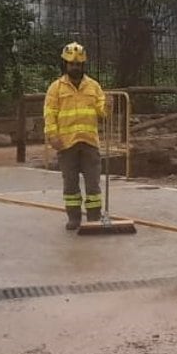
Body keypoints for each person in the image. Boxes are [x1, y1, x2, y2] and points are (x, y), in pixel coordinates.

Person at [44, 42, 107, 231]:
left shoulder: (93, 86)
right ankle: (74, 217)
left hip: (89, 142)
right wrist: (52, 136)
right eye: (72, 64)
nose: (75, 68)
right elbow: (49, 113)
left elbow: (102, 112)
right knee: (70, 184)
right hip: (66, 143)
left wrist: (108, 106)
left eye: (78, 65)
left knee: (93, 184)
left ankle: (94, 218)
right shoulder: (56, 88)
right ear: (65, 64)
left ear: (83, 65)